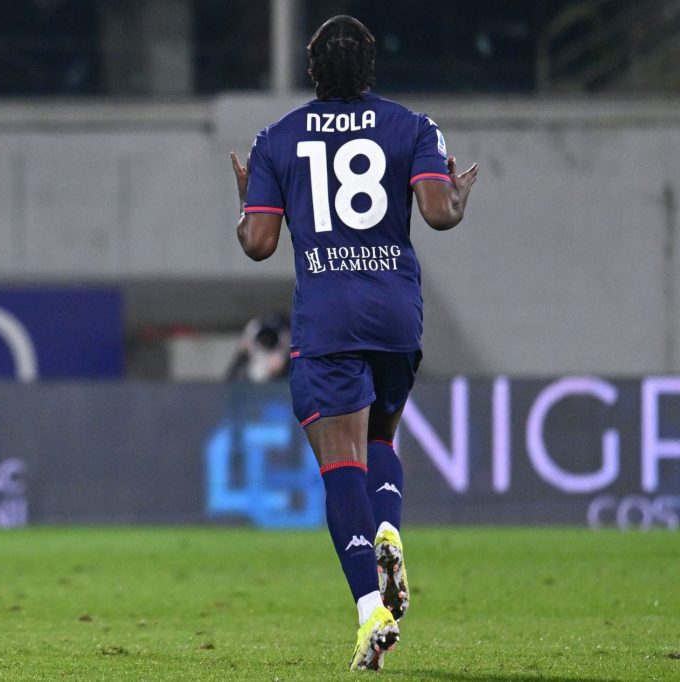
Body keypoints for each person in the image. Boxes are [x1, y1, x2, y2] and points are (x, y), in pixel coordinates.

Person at [228, 15, 478, 671]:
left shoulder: (276, 139)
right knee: (381, 439)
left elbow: (258, 244)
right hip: (396, 312)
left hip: (329, 316)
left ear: (312, 70)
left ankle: (371, 609)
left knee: (341, 461)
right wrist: (459, 195)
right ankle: (388, 527)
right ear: (371, 69)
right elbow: (439, 213)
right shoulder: (413, 127)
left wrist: (245, 203)